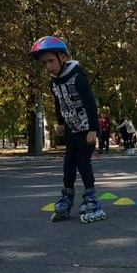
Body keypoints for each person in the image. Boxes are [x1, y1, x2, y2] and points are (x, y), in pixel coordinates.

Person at [30, 36, 105, 223]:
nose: (48, 66)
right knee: (68, 163)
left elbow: (89, 102)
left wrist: (94, 129)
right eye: (44, 63)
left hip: (86, 128)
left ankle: (91, 197)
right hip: (71, 128)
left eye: (51, 61)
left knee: (82, 161)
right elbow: (58, 102)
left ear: (63, 57)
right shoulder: (53, 81)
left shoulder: (77, 75)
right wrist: (61, 123)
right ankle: (67, 195)